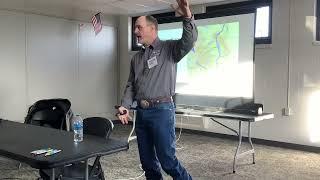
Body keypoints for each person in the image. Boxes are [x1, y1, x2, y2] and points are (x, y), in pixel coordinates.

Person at [117, 0, 197, 179]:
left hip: (162, 111)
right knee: (148, 163)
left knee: (167, 161)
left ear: (153, 29)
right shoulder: (136, 58)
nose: (135, 31)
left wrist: (187, 16)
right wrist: (124, 106)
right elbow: (131, 85)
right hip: (142, 113)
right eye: (135, 28)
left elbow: (189, 40)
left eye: (139, 27)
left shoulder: (169, 49)